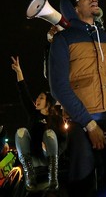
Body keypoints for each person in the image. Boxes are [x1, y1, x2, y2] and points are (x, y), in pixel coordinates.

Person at [48, 0, 106, 195]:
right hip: (81, 126)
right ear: (74, 8)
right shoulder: (62, 39)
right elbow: (58, 87)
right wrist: (89, 125)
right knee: (83, 186)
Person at [11, 56, 65, 192]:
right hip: (33, 159)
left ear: (48, 103)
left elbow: (64, 140)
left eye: (41, 97)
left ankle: (53, 178)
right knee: (21, 131)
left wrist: (50, 149)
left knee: (50, 133)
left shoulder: (57, 119)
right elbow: (24, 93)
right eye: (37, 97)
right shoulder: (33, 114)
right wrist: (19, 72)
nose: (37, 99)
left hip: (49, 157)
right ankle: (30, 176)